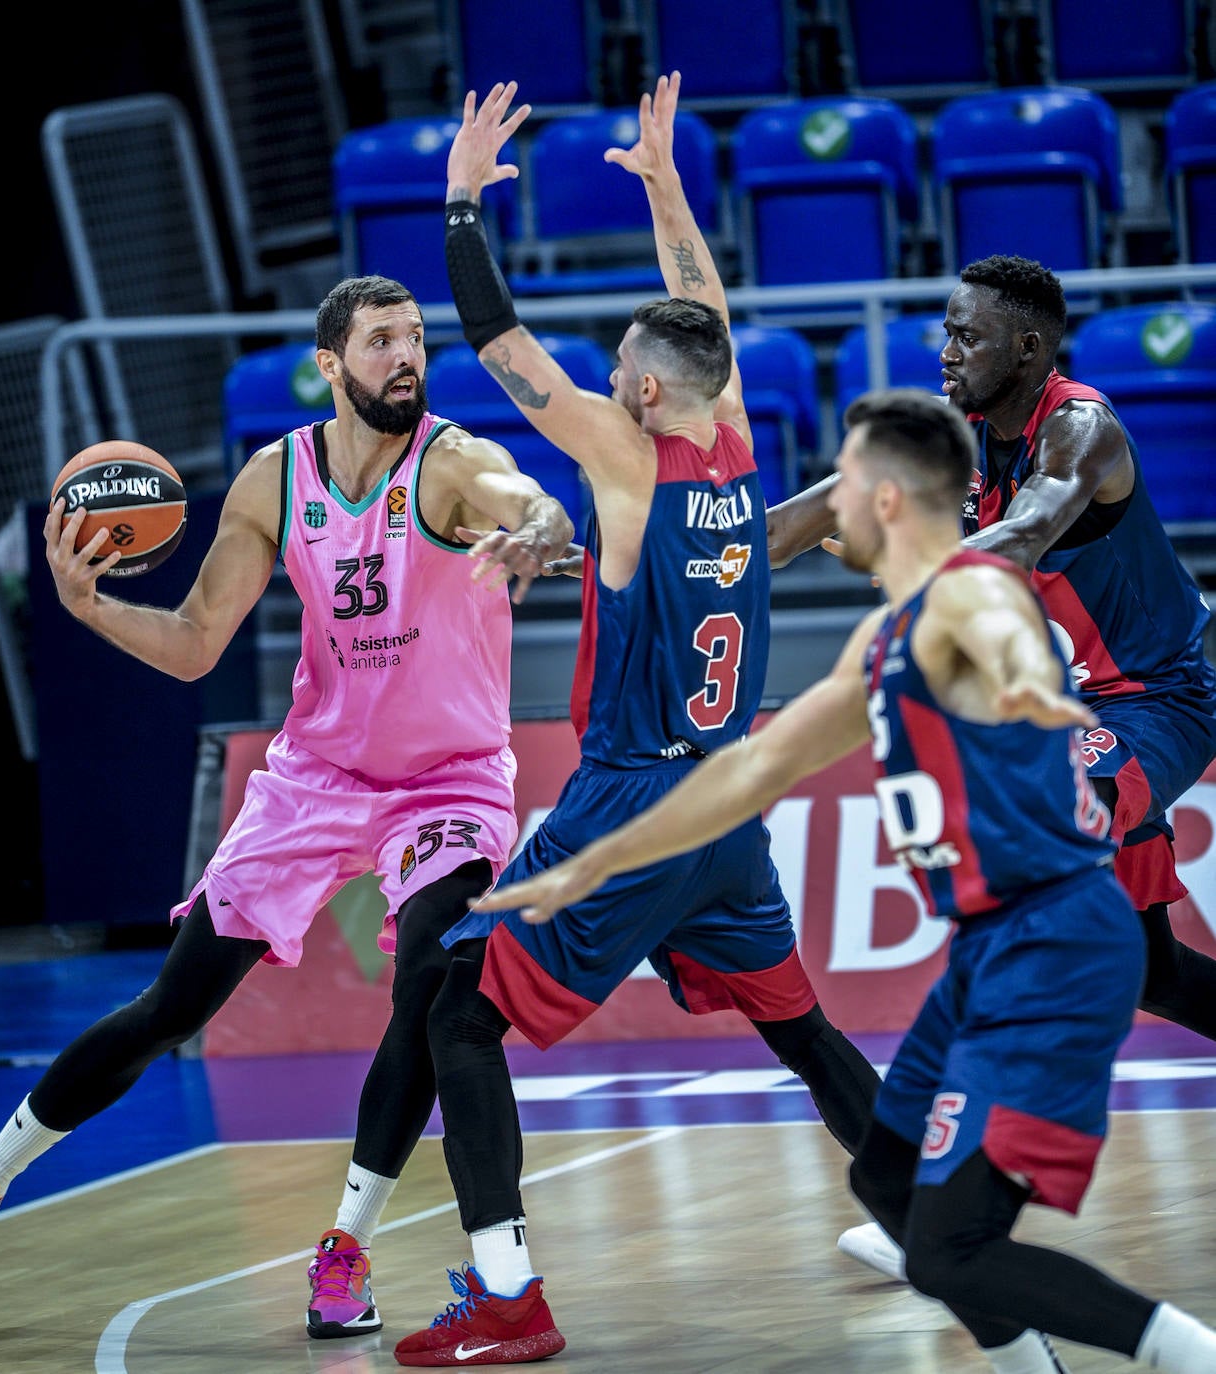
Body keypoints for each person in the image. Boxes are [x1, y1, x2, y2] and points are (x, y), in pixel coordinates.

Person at [470, 387, 1216, 1374]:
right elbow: (750, 769)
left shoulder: (970, 601)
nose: (828, 505)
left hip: (1052, 953)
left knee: (952, 1249)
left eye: (847, 482)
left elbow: (1001, 634)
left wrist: (1032, 696)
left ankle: (1186, 1355)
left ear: (892, 501)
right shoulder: (885, 642)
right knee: (886, 1181)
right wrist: (593, 864)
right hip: (991, 956)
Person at [0, 275, 574, 1344]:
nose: (407, 356)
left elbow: (526, 496)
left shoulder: (451, 460)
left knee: (433, 983)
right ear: (331, 365)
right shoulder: (273, 479)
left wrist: (536, 526)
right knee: (176, 1005)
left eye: (417, 338)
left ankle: (344, 1244)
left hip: (448, 780)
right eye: (382, 341)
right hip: (317, 778)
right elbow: (199, 641)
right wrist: (90, 606)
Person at [387, 74, 883, 1367]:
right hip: (731, 802)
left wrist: (456, 204)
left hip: (637, 795)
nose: (608, 383)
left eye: (620, 375)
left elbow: (499, 347)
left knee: (458, 1012)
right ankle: (930, 1211)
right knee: (803, 1030)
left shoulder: (628, 451)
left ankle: (509, 1297)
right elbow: (700, 310)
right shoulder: (724, 429)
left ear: (647, 399)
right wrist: (665, 186)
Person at [798, 255, 1216, 1282]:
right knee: (1152, 968)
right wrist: (653, 557)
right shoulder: (959, 435)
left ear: (1028, 348)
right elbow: (796, 523)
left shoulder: (1083, 429)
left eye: (967, 337)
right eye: (943, 333)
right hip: (1073, 713)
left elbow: (1025, 535)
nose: (945, 352)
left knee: (1029, 904)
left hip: (1153, 705)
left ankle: (941, 1207)